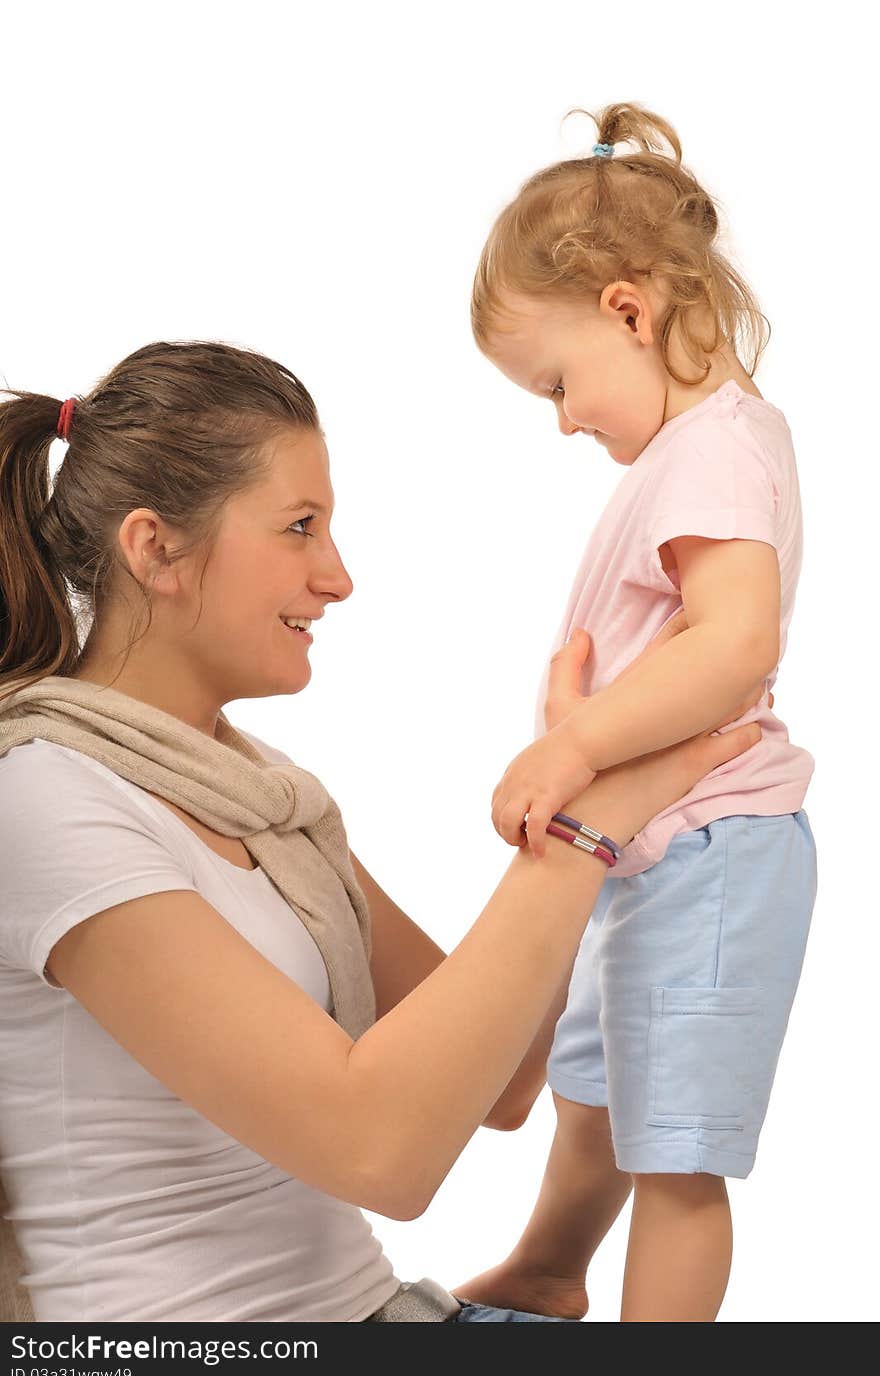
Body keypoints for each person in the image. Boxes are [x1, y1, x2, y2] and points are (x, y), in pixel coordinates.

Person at [0, 341, 761, 1323]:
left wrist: (606, 767)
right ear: (155, 551)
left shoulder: (260, 795)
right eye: (299, 527)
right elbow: (381, 1152)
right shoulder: (46, 799)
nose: (338, 576)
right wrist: (582, 831)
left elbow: (501, 1082)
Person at [453, 101, 818, 1321]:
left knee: (676, 1151)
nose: (562, 419)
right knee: (600, 1094)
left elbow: (733, 643)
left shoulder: (713, 448)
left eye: (556, 384)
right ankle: (552, 1269)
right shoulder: (693, 450)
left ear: (627, 308)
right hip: (657, 848)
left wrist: (574, 741)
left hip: (714, 848)